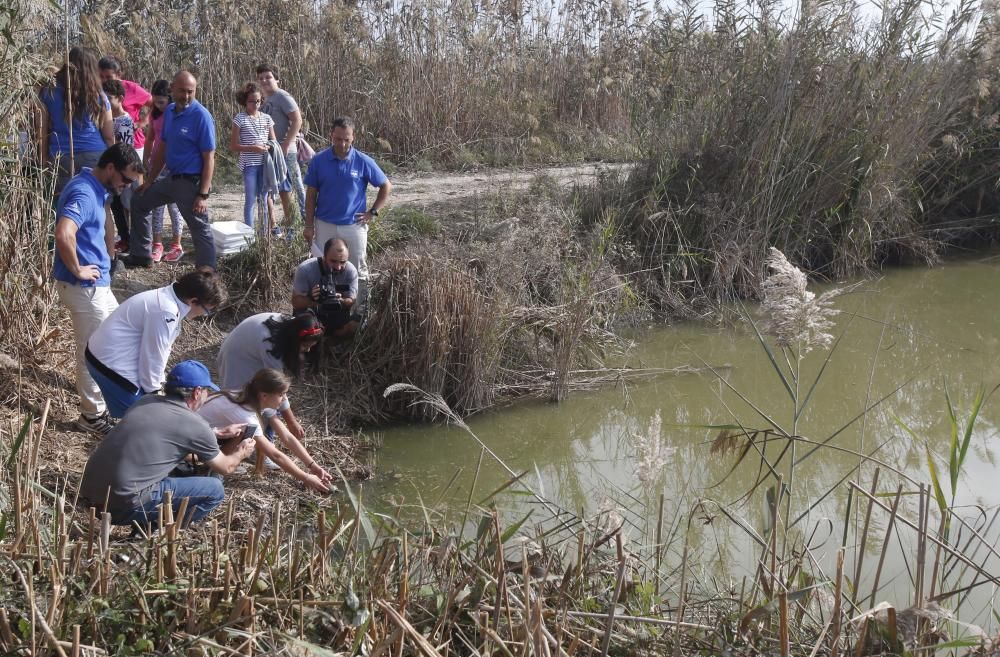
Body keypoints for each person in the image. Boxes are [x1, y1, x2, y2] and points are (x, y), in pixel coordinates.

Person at [78, 360, 256, 528]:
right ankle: (160, 530)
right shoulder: (195, 424)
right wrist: (241, 451)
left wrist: (216, 433)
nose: (207, 396)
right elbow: (225, 467)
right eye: (206, 391)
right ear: (196, 392)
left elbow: (165, 443)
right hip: (122, 507)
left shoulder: (146, 401)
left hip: (90, 495)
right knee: (215, 490)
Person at [53, 143, 144, 435]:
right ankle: (91, 417)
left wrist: (108, 249)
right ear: (109, 168)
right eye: (125, 180)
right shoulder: (83, 191)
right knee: (91, 353)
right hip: (83, 286)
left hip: (98, 284)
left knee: (117, 340)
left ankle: (111, 401)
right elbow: (64, 232)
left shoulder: (98, 188)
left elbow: (100, 221)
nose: (126, 186)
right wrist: (78, 268)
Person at [86, 270, 226, 418]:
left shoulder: (169, 298)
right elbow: (153, 357)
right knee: (146, 418)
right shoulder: (166, 311)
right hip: (107, 365)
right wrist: (155, 394)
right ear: (193, 301)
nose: (204, 315)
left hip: (102, 354)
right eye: (206, 310)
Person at [123, 70, 216, 270]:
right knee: (139, 200)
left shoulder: (201, 116)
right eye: (182, 91)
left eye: (191, 91)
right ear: (172, 89)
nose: (186, 96)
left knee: (199, 227)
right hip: (171, 179)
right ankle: (141, 255)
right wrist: (149, 182)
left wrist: (203, 194)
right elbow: (162, 151)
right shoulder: (171, 112)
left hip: (191, 183)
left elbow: (209, 158)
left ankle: (207, 272)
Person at [303, 117, 391, 312]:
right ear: (331, 136)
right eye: (338, 139)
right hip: (324, 223)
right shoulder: (319, 161)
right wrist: (309, 225)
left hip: (354, 225)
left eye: (346, 140)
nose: (342, 144)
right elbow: (310, 196)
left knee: (358, 268)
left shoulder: (363, 161)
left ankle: (360, 314)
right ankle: (327, 312)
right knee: (324, 267)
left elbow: (386, 186)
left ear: (353, 138)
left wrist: (372, 212)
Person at [198, 368, 332, 491]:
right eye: (281, 394)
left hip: (210, 435)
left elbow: (287, 437)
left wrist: (313, 466)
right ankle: (211, 469)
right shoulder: (245, 415)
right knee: (247, 435)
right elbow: (275, 454)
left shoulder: (252, 398)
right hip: (195, 445)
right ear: (264, 396)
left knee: (247, 433)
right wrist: (306, 478)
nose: (284, 399)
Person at [216, 312, 323, 441]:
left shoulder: (293, 325)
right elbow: (277, 388)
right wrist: (291, 421)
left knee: (270, 404)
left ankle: (263, 441)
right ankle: (251, 442)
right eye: (305, 346)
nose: (308, 351)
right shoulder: (271, 345)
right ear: (295, 340)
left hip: (249, 352)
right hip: (237, 360)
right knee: (246, 404)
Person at [37, 47, 114, 193]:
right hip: (95, 155)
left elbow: (41, 128)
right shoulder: (99, 95)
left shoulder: (48, 92)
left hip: (62, 157)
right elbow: (109, 135)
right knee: (100, 205)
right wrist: (114, 159)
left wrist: (43, 158)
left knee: (66, 205)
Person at [256, 64, 305, 226]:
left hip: (285, 151)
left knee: (291, 188)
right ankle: (291, 224)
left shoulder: (282, 96)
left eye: (268, 77)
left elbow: (297, 120)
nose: (264, 80)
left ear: (277, 80)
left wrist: (286, 144)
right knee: (281, 190)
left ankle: (300, 224)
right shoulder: (265, 100)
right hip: (272, 152)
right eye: (261, 78)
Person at [230, 82, 278, 233]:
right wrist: (253, 148)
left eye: (258, 101)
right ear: (245, 101)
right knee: (250, 200)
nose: (255, 104)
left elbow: (274, 141)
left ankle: (263, 234)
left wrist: (268, 146)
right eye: (252, 101)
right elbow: (233, 146)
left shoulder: (267, 118)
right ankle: (249, 234)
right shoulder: (240, 119)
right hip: (249, 164)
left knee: (263, 198)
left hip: (265, 164)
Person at [146, 79, 184, 262]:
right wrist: (147, 160)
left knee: (174, 207)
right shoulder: (154, 115)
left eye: (162, 102)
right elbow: (149, 139)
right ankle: (157, 244)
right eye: (155, 101)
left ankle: (177, 245)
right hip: (157, 165)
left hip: (173, 165)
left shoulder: (176, 115)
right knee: (157, 206)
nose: (158, 105)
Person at [292, 238, 359, 340]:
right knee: (303, 328)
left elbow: (351, 300)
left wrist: (340, 301)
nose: (338, 267)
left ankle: (330, 342)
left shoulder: (351, 271)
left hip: (336, 313)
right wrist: (314, 299)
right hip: (313, 313)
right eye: (333, 261)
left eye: (342, 262)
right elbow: (295, 302)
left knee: (355, 325)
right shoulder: (305, 269)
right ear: (324, 257)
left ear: (348, 258)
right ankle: (316, 342)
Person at [102, 79, 138, 256]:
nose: (106, 101)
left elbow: (124, 147)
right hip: (114, 169)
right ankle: (125, 238)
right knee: (116, 206)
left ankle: (131, 240)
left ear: (120, 98)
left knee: (125, 205)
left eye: (109, 98)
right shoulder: (110, 118)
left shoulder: (124, 121)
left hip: (122, 169)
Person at [97, 56, 152, 160]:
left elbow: (156, 104)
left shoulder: (132, 88)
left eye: (108, 77)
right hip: (107, 144)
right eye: (101, 76)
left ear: (118, 75)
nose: (104, 80)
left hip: (133, 145)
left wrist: (142, 122)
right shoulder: (97, 90)